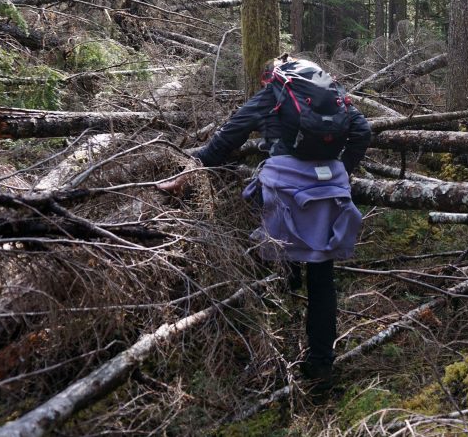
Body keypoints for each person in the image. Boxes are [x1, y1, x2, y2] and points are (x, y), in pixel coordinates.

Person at [159, 54, 371, 392]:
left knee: (259, 252)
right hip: (327, 195)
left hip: (284, 196)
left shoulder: (275, 91)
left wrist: (189, 169)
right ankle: (320, 365)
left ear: (269, 77)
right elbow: (362, 130)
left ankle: (262, 341)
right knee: (323, 279)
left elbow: (229, 137)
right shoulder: (331, 92)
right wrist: (341, 171)